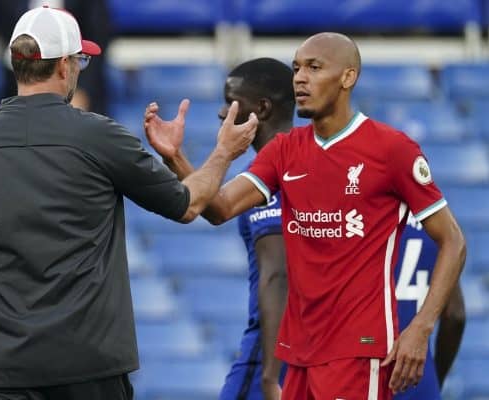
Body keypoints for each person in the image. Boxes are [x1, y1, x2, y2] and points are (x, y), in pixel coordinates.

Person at [0, 6, 257, 400]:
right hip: (89, 369)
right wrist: (223, 152)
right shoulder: (98, 136)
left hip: (3, 370)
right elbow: (188, 205)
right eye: (80, 59)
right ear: (64, 66)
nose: (81, 67)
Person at [144, 32, 466, 399]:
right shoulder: (285, 150)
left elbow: (452, 240)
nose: (300, 77)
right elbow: (218, 208)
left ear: (348, 77)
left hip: (358, 351)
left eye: (314, 68)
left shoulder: (391, 149)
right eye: (296, 67)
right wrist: (175, 159)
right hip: (298, 353)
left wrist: (421, 328)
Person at [213, 59, 294, 400]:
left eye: (231, 101)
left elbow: (277, 274)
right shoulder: (307, 159)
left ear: (261, 108)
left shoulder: (278, 172)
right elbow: (216, 207)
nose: (221, 113)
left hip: (272, 345)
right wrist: (175, 159)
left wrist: (270, 375)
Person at [395, 215, 466, 399]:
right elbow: (455, 315)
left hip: (364, 372)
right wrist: (435, 376)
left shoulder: (361, 222)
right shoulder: (440, 225)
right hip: (418, 377)